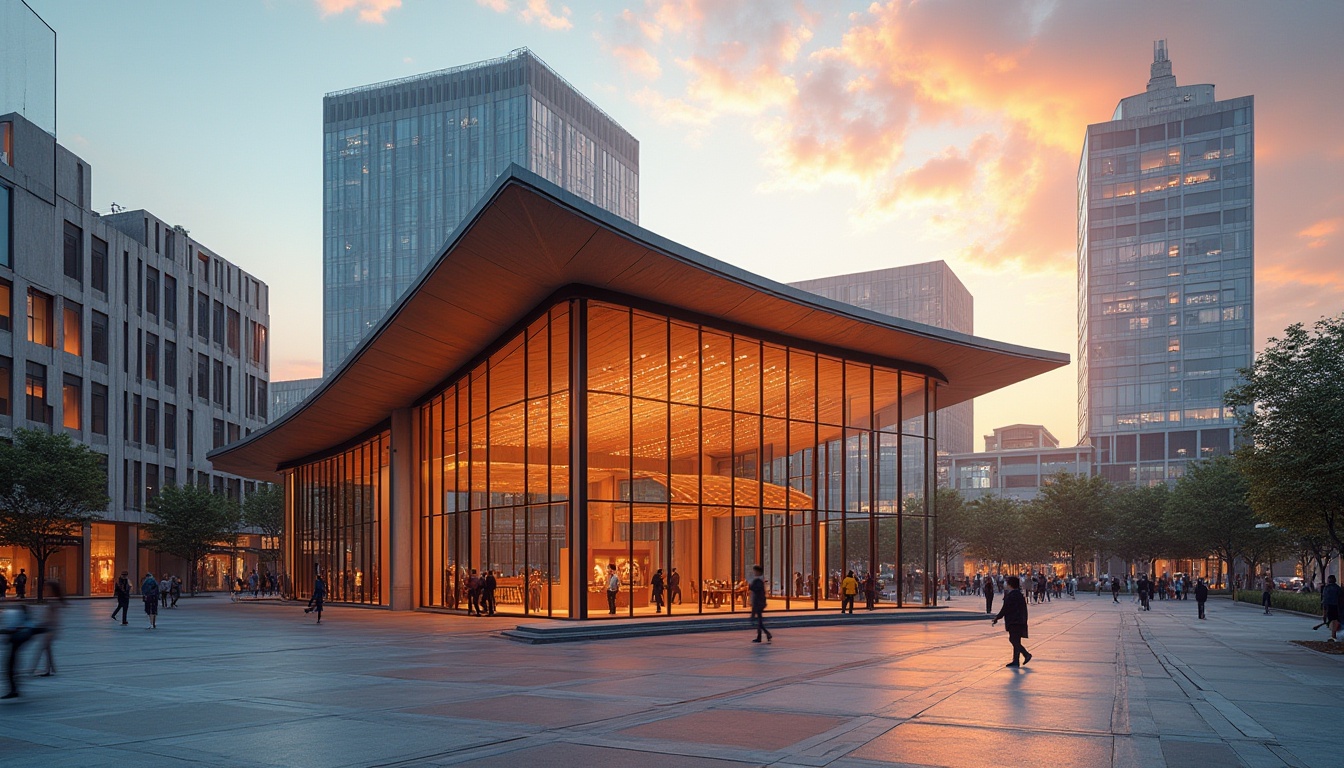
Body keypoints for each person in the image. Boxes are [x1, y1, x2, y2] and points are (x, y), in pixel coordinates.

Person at [2, 603, 44, 699]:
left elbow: (13, 631)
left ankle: (14, 690)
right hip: (16, 645)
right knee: (11, 665)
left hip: (16, 646)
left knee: (10, 666)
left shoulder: (21, 625)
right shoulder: (27, 624)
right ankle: (14, 689)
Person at [991, 575, 1032, 667]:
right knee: (1016, 640)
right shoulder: (1018, 594)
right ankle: (1016, 661)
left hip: (1015, 621)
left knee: (1013, 639)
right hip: (1019, 621)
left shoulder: (1013, 595)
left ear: (1010, 584)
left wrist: (997, 617)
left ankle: (1026, 654)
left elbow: (1006, 608)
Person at [30, 582, 63, 677]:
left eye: (48, 589)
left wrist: (46, 625)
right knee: (47, 649)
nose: (46, 591)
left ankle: (34, 669)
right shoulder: (54, 601)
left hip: (50, 629)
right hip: (49, 629)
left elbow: (53, 618)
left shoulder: (54, 602)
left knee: (42, 649)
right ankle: (51, 668)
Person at [749, 564, 772, 643]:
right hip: (758, 603)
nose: (754, 572)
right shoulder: (759, 581)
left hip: (758, 603)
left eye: (755, 571)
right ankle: (764, 634)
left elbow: (756, 590)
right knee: (759, 621)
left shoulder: (758, 581)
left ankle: (764, 635)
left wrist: (751, 586)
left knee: (759, 621)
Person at [1320, 575, 1341, 642]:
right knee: (1335, 620)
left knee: (1332, 620)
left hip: (1329, 605)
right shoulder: (1338, 588)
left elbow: (1325, 598)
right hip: (1336, 606)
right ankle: (1333, 635)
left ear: (1328, 580)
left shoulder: (1327, 588)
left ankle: (1333, 635)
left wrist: (1324, 609)